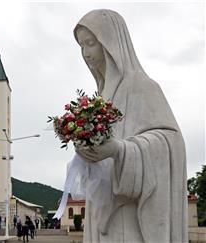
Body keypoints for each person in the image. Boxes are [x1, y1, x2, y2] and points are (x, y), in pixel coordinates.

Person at [70, 9, 187, 242]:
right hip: (103, 210)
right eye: (81, 45)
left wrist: (119, 150)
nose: (85, 53)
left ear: (110, 42)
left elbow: (171, 143)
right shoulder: (102, 96)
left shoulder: (142, 87)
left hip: (132, 216)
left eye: (91, 43)